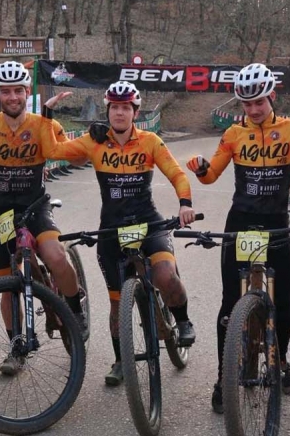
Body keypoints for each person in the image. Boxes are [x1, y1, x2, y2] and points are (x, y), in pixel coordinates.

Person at [185, 63, 290, 413]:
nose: (253, 110)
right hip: (241, 221)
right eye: (247, 104)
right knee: (228, 303)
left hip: (276, 222)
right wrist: (201, 168)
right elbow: (212, 175)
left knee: (284, 301)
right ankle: (223, 377)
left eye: (259, 103)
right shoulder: (234, 134)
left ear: (272, 96)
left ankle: (280, 359)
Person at [41, 81, 198, 386]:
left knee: (166, 276)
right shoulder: (94, 142)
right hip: (112, 229)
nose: (120, 113)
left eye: (126, 107)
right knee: (117, 303)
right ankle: (121, 360)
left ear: (135, 112)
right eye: (115, 107)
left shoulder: (150, 141)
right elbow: (53, 150)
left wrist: (185, 204)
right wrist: (48, 114)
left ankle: (182, 320)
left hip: (149, 223)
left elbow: (176, 173)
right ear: (108, 111)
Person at [0, 61, 89, 363]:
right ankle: (16, 347)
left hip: (36, 207)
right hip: (2, 213)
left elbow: (73, 156)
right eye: (6, 91)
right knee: (8, 285)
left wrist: (89, 145)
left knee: (56, 256)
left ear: (27, 92)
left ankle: (75, 309)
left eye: (18, 91)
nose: (12, 97)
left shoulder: (43, 123)